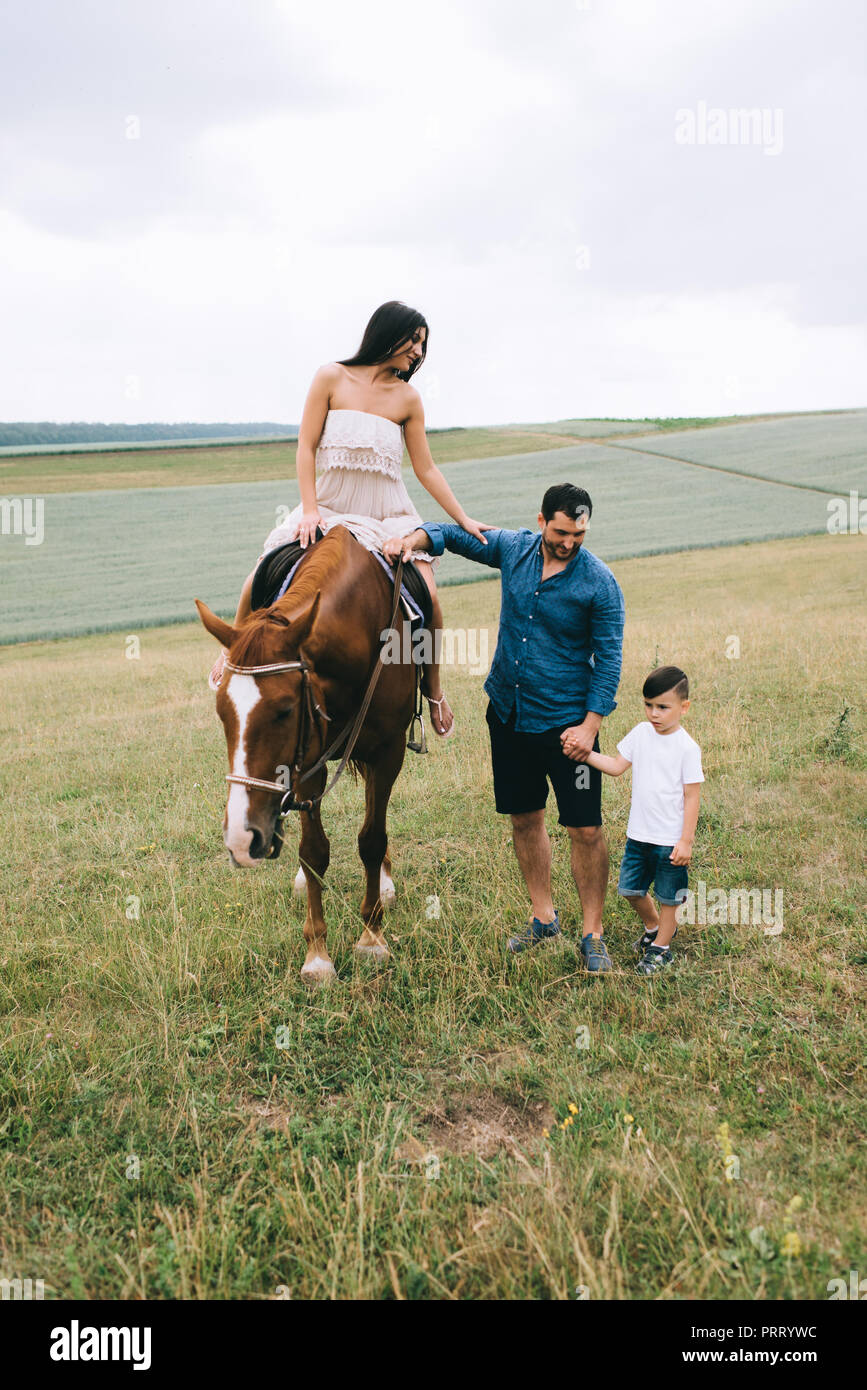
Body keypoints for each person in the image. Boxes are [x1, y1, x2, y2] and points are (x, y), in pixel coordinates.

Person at [208, 300, 492, 737]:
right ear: (386, 333)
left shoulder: (408, 399)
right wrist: (309, 510)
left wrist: (463, 517)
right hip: (329, 506)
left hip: (387, 514)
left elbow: (426, 468)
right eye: (413, 340)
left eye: (423, 345)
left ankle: (433, 690)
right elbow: (305, 447)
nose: (418, 352)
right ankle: (234, 657)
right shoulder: (330, 377)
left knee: (430, 601)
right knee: (257, 576)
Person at [384, 483, 625, 970]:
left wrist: (591, 726)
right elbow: (453, 534)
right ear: (541, 521)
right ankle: (543, 918)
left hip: (568, 729)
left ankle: (593, 933)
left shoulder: (600, 583)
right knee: (524, 818)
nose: (569, 542)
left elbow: (610, 662)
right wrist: (414, 539)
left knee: (586, 828)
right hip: (509, 717)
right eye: (560, 531)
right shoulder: (513, 549)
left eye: (578, 533)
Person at [583, 665, 704, 975]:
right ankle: (655, 928)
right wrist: (585, 755)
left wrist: (686, 841)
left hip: (670, 841)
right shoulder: (641, 733)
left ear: (683, 707)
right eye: (648, 705)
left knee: (668, 896)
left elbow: (692, 797)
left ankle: (661, 948)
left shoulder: (687, 748)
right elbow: (615, 765)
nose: (654, 713)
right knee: (630, 889)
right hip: (639, 835)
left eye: (662, 707)